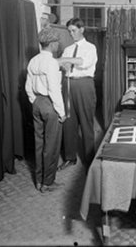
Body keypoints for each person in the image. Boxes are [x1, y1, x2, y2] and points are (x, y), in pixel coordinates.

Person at [25, 28, 66, 193]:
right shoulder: (51, 62)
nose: (58, 45)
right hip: (50, 104)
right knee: (52, 145)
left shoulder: (33, 60)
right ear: (53, 44)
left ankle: (39, 180)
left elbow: (28, 86)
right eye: (57, 43)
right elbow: (54, 89)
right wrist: (61, 112)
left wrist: (34, 100)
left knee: (39, 143)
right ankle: (48, 182)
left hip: (37, 103)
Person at [58, 18, 98, 169]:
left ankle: (89, 159)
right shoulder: (68, 49)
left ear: (82, 29)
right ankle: (70, 157)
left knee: (86, 122)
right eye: (69, 31)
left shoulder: (90, 47)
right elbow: (64, 66)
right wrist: (64, 63)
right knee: (69, 121)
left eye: (73, 30)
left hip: (84, 85)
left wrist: (65, 60)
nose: (71, 34)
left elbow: (84, 62)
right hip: (68, 84)